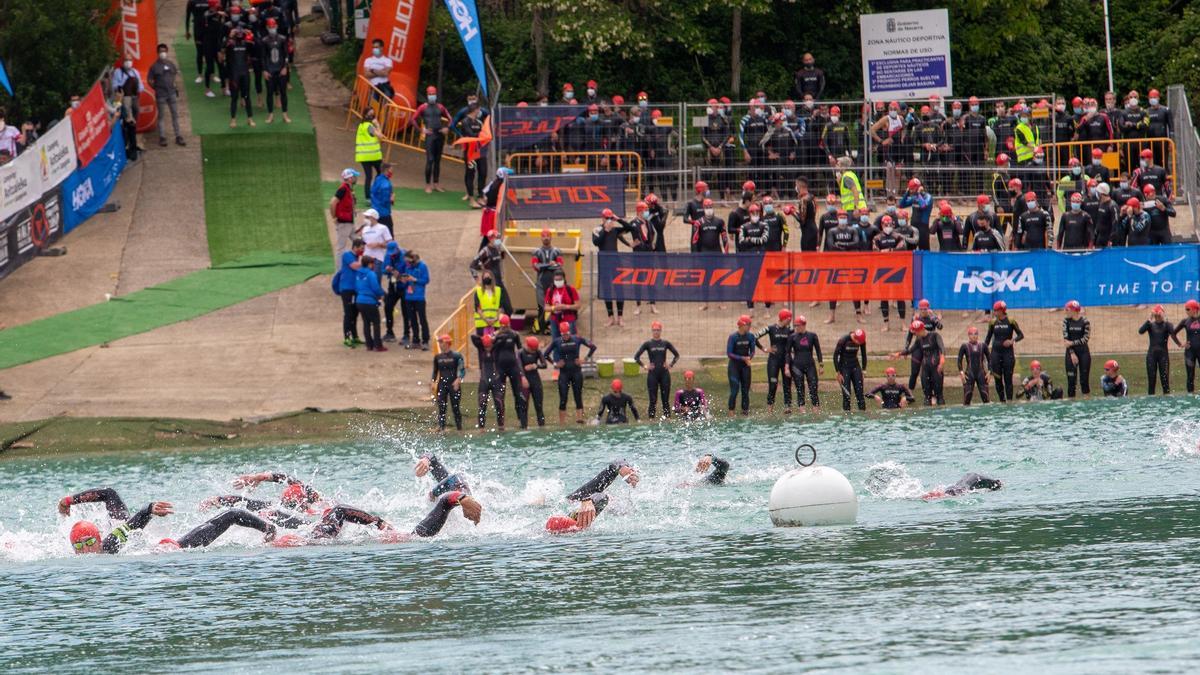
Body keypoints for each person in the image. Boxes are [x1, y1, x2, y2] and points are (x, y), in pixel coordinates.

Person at [60, 488, 276, 554]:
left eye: (89, 542)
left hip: (154, 543)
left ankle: (268, 528)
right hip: (137, 539)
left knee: (229, 515)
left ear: (98, 539)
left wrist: (149, 509)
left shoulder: (109, 545)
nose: (86, 550)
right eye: (79, 546)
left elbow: (132, 526)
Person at [273, 492, 482, 547]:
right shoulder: (309, 532)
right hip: (404, 540)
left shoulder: (316, 534)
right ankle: (455, 498)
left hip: (403, 539)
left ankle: (457, 497)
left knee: (415, 536)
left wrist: (380, 524)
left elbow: (339, 510)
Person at [546, 461, 639, 533]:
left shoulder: (574, 499)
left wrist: (621, 468)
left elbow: (616, 463)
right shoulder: (580, 521)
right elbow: (603, 498)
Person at [545, 324, 597, 424]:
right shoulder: (557, 341)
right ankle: (562, 423)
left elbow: (593, 347)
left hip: (576, 372)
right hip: (564, 374)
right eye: (563, 335)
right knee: (563, 398)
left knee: (578, 396)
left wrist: (584, 359)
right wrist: (555, 364)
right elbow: (545, 354)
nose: (565, 337)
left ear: (569, 332)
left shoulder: (577, 339)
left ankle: (580, 419)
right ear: (561, 334)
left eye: (567, 334)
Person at [593, 208, 632, 325]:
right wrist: (605, 230)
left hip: (616, 262)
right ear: (603, 218)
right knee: (607, 289)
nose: (610, 221)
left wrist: (618, 219)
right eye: (607, 218)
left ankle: (620, 316)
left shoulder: (615, 230)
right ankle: (610, 316)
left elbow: (629, 228)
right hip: (604, 262)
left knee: (619, 289)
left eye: (611, 218)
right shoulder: (597, 229)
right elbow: (596, 242)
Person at [634, 321, 679, 419]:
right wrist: (645, 366)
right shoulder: (648, 344)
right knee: (652, 400)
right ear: (652, 331)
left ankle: (667, 419)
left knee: (665, 400)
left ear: (661, 331)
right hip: (652, 375)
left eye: (658, 330)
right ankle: (651, 420)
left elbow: (677, 355)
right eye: (654, 330)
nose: (656, 332)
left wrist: (670, 365)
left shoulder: (665, 343)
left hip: (664, 374)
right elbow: (636, 357)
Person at [894, 320, 945, 406]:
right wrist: (899, 354)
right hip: (925, 369)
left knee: (939, 396)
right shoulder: (919, 340)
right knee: (927, 397)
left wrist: (942, 361)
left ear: (921, 330)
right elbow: (911, 350)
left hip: (936, 368)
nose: (915, 334)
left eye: (916, 332)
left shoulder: (935, 335)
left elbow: (942, 349)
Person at [413, 86, 452, 193]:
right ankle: (427, 185)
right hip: (430, 135)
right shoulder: (423, 107)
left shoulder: (440, 107)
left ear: (436, 94)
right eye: (430, 94)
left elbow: (451, 119)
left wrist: (447, 128)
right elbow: (412, 119)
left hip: (439, 134)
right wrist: (421, 130)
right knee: (430, 160)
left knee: (438, 161)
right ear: (427, 95)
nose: (431, 96)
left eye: (433, 94)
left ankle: (436, 184)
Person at [146, 44, 185, 147]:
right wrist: (156, 88)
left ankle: (178, 136)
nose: (162, 53)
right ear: (158, 53)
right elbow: (149, 80)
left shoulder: (171, 64)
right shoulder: (154, 67)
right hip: (161, 95)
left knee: (175, 115)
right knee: (161, 116)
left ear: (167, 52)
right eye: (160, 51)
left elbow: (175, 75)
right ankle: (162, 137)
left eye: (164, 51)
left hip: (171, 93)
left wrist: (174, 85)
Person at [221, 16, 256, 128]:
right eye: (238, 32)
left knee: (247, 97)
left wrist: (250, 34)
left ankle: (250, 119)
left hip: (245, 73)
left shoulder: (246, 43)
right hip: (234, 74)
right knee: (234, 97)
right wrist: (229, 36)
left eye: (241, 31)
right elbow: (222, 49)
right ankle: (233, 120)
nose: (240, 33)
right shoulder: (230, 43)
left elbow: (257, 48)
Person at [986, 301, 1023, 402]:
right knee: (998, 380)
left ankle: (1010, 401)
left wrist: (1012, 341)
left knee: (1008, 379)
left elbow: (1021, 335)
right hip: (996, 354)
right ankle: (1002, 401)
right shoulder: (993, 322)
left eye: (996, 310)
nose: (994, 312)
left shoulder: (1011, 321)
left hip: (1008, 354)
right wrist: (984, 352)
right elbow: (987, 339)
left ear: (1002, 311)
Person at [757, 310, 794, 413]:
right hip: (773, 361)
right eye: (788, 318)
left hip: (786, 360)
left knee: (787, 385)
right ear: (783, 318)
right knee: (773, 385)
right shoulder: (771, 328)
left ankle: (787, 408)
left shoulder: (790, 330)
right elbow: (754, 337)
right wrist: (764, 349)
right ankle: (770, 409)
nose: (790, 320)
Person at [1140, 305, 1181, 395]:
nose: (1158, 316)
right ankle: (1151, 403)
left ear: (1163, 314)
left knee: (1165, 381)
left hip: (1163, 357)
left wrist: (1180, 344)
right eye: (1156, 315)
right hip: (1151, 356)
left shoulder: (1167, 325)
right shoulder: (1150, 325)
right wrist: (1150, 318)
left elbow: (1173, 334)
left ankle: (1166, 401)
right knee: (1151, 381)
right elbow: (1140, 331)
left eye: (1160, 314)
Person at [784, 315, 823, 410]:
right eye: (795, 325)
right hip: (797, 367)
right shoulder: (792, 337)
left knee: (813, 388)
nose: (796, 327)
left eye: (798, 325)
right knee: (800, 390)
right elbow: (787, 353)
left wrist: (821, 365)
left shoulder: (812, 336)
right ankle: (802, 411)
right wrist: (787, 367)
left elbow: (818, 351)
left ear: (803, 325)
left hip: (810, 365)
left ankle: (816, 411)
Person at [470, 333, 505, 429]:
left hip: (496, 380)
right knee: (482, 404)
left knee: (499, 403)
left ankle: (501, 426)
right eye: (486, 346)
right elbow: (473, 337)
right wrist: (482, 338)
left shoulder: (496, 348)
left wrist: (493, 338)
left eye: (489, 346)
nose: (487, 348)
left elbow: (503, 338)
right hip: (484, 381)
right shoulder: (481, 348)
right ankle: (481, 427)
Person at [259, 18, 291, 124]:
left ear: (276, 26)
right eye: (270, 27)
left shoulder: (282, 39)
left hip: (280, 69)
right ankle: (270, 115)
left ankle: (285, 115)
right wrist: (264, 70)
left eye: (273, 27)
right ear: (267, 28)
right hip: (270, 70)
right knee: (269, 93)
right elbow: (263, 57)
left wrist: (285, 67)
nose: (272, 29)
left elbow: (286, 55)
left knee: (283, 93)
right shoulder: (264, 40)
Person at [431, 335, 465, 431]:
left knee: (455, 407)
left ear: (447, 343)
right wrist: (433, 383)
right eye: (439, 342)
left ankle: (459, 428)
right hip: (442, 385)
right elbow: (435, 371)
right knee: (441, 407)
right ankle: (441, 427)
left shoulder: (456, 356)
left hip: (454, 384)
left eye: (441, 342)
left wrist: (458, 380)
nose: (440, 344)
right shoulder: (438, 357)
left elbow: (462, 370)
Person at [335, 238, 365, 347]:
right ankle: (347, 338)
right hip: (347, 290)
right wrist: (363, 260)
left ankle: (355, 336)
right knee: (348, 314)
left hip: (355, 290)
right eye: (361, 248)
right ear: (355, 247)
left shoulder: (357, 257)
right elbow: (355, 266)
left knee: (355, 313)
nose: (363, 250)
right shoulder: (347, 255)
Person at [726, 315, 756, 416]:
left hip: (745, 367)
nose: (749, 327)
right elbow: (729, 353)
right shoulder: (733, 337)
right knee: (734, 390)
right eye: (748, 325)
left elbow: (752, 351)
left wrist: (749, 358)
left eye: (750, 325)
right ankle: (731, 412)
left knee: (745, 391)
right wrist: (743, 358)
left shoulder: (751, 336)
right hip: (734, 367)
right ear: (742, 325)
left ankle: (745, 412)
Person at [399, 250, 430, 350]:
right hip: (409, 296)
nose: (407, 263)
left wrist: (415, 279)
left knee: (422, 319)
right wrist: (404, 281)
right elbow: (405, 282)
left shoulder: (422, 266)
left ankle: (425, 340)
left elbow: (426, 280)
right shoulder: (408, 267)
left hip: (419, 297)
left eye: (408, 261)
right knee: (412, 320)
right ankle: (415, 340)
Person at [355, 256, 386, 352]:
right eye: (372, 263)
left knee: (366, 323)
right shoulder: (371, 274)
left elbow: (356, 287)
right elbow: (376, 287)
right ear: (369, 264)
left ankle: (369, 345)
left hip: (359, 300)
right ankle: (378, 345)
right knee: (376, 323)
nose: (373, 265)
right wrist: (381, 295)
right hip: (369, 301)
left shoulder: (358, 273)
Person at [1062, 300, 1092, 398]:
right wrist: (1072, 353)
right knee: (1071, 382)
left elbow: (1086, 339)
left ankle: (1087, 404)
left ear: (1074, 310)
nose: (1066, 311)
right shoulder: (1066, 321)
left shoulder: (1085, 322)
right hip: (1070, 353)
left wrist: (1073, 342)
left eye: (1067, 309)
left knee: (1084, 380)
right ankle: (1071, 406)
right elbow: (1066, 341)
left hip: (1084, 353)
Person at [834, 329, 868, 411]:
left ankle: (862, 417)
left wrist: (863, 370)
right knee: (847, 396)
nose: (859, 344)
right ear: (855, 338)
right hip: (844, 368)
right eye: (858, 342)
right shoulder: (843, 340)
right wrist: (838, 372)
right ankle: (846, 417)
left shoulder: (861, 340)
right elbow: (835, 356)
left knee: (860, 394)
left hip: (855, 367)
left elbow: (864, 355)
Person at [519, 336, 548, 428]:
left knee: (539, 405)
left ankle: (542, 427)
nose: (533, 351)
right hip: (524, 382)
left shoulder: (537, 352)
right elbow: (518, 367)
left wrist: (536, 366)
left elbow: (544, 365)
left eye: (535, 349)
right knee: (524, 407)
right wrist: (523, 377)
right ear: (528, 346)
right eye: (532, 349)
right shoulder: (520, 353)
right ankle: (524, 427)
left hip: (535, 380)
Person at [958, 326, 991, 405]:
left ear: (978, 335)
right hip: (969, 374)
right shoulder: (964, 346)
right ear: (968, 335)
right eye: (971, 334)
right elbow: (959, 359)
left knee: (985, 397)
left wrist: (990, 372)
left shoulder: (983, 345)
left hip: (981, 374)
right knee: (967, 398)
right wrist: (961, 372)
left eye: (976, 334)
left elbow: (990, 359)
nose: (974, 336)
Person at [356, 109, 384, 200]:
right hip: (373, 156)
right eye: (371, 114)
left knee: (369, 176)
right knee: (381, 173)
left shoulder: (361, 125)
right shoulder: (369, 126)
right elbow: (380, 136)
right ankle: (374, 192)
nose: (372, 115)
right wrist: (378, 125)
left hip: (364, 156)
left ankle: (368, 197)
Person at [545, 269, 580, 340]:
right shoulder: (550, 290)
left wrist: (565, 306)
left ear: (564, 279)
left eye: (560, 279)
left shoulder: (570, 289)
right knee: (556, 342)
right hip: (555, 320)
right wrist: (554, 308)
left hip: (569, 319)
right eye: (556, 280)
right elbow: (546, 307)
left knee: (570, 341)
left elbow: (578, 305)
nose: (558, 282)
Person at [898, 178, 933, 250]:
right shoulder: (914, 197)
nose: (911, 191)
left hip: (923, 227)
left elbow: (923, 206)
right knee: (911, 248)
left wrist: (918, 194)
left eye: (912, 189)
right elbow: (901, 205)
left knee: (924, 249)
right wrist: (907, 193)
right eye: (910, 189)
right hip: (913, 226)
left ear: (917, 188)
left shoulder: (928, 197)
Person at [1173, 299, 1200, 394]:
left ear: (1195, 309)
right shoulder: (1185, 321)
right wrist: (1180, 344)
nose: (1186, 311)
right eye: (1185, 309)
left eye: (1188, 309)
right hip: (1190, 352)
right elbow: (1173, 333)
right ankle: (1190, 397)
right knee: (1190, 376)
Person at [920, 473, 1002, 500]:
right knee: (956, 491)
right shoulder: (990, 482)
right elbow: (998, 485)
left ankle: (938, 495)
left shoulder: (981, 478)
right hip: (960, 487)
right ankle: (939, 495)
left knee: (951, 491)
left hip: (958, 485)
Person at [330, 169, 360, 239]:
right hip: (343, 221)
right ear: (350, 178)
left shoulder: (349, 188)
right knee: (341, 245)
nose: (356, 178)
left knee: (357, 241)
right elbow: (332, 202)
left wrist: (353, 209)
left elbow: (350, 201)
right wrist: (334, 217)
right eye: (354, 176)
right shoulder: (343, 189)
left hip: (348, 219)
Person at [370, 163, 395, 235]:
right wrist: (392, 199)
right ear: (387, 170)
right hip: (383, 213)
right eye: (391, 170)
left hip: (374, 210)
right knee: (389, 234)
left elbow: (372, 192)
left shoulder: (377, 179)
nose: (392, 172)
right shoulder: (386, 185)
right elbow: (385, 201)